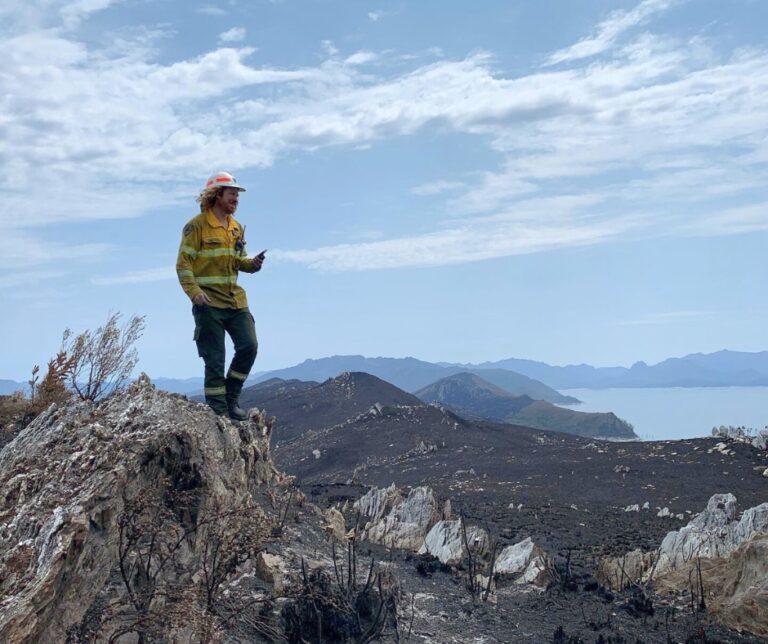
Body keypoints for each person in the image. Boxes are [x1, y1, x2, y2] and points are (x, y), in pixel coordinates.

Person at [176, 172, 265, 420]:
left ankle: (231, 398)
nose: (236, 198)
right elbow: (183, 264)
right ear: (217, 195)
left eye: (237, 194)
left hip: (235, 301)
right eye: (232, 193)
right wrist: (194, 293)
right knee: (214, 359)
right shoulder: (196, 226)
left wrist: (252, 264)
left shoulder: (236, 228)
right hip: (208, 304)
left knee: (249, 346)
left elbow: (238, 262)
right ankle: (219, 411)